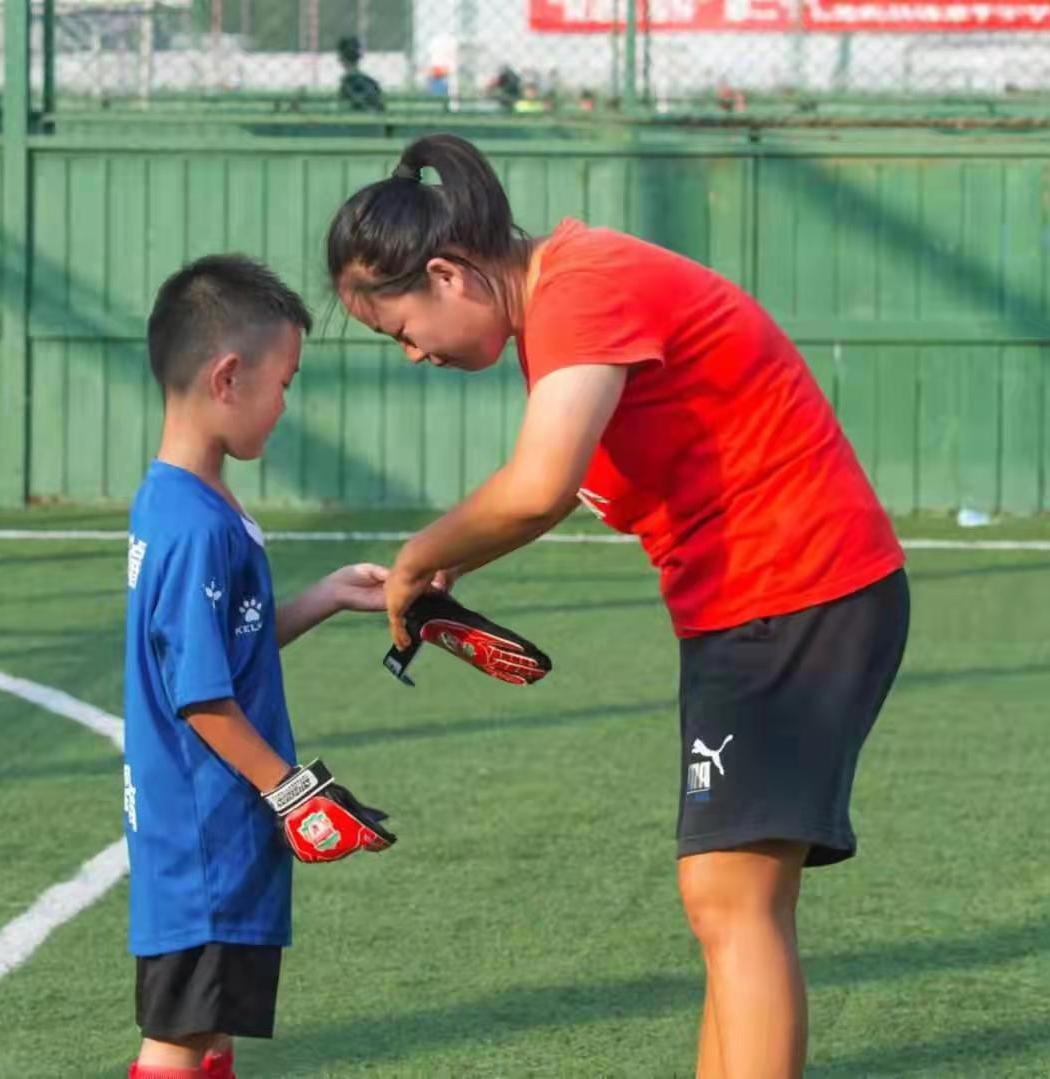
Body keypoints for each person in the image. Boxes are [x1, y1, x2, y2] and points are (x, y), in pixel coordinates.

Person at [324, 134, 909, 1077]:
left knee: (732, 901)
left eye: (401, 329)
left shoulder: (579, 289)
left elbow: (537, 487)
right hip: (756, 602)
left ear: (447, 274)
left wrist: (418, 559)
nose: (412, 355)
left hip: (795, 586)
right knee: (726, 901)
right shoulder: (566, 298)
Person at [123, 254, 395, 1078]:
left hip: (216, 831)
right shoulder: (194, 523)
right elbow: (199, 695)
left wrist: (323, 597)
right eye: (285, 381)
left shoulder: (184, 497)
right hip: (206, 834)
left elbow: (222, 646)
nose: (286, 404)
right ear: (228, 376)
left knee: (211, 1030)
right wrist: (290, 790)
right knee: (178, 1041)